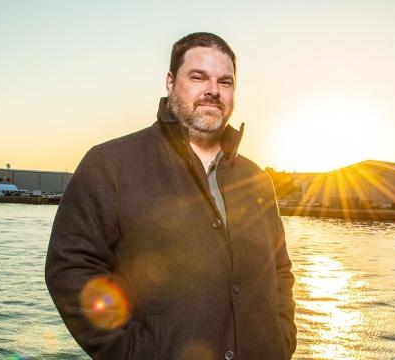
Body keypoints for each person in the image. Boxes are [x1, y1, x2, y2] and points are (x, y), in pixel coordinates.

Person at [45, 32, 296, 360]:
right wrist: (137, 353)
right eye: (198, 77)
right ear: (169, 82)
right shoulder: (111, 165)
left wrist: (281, 338)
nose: (213, 91)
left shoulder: (256, 179)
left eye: (225, 82)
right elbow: (70, 268)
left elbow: (280, 270)